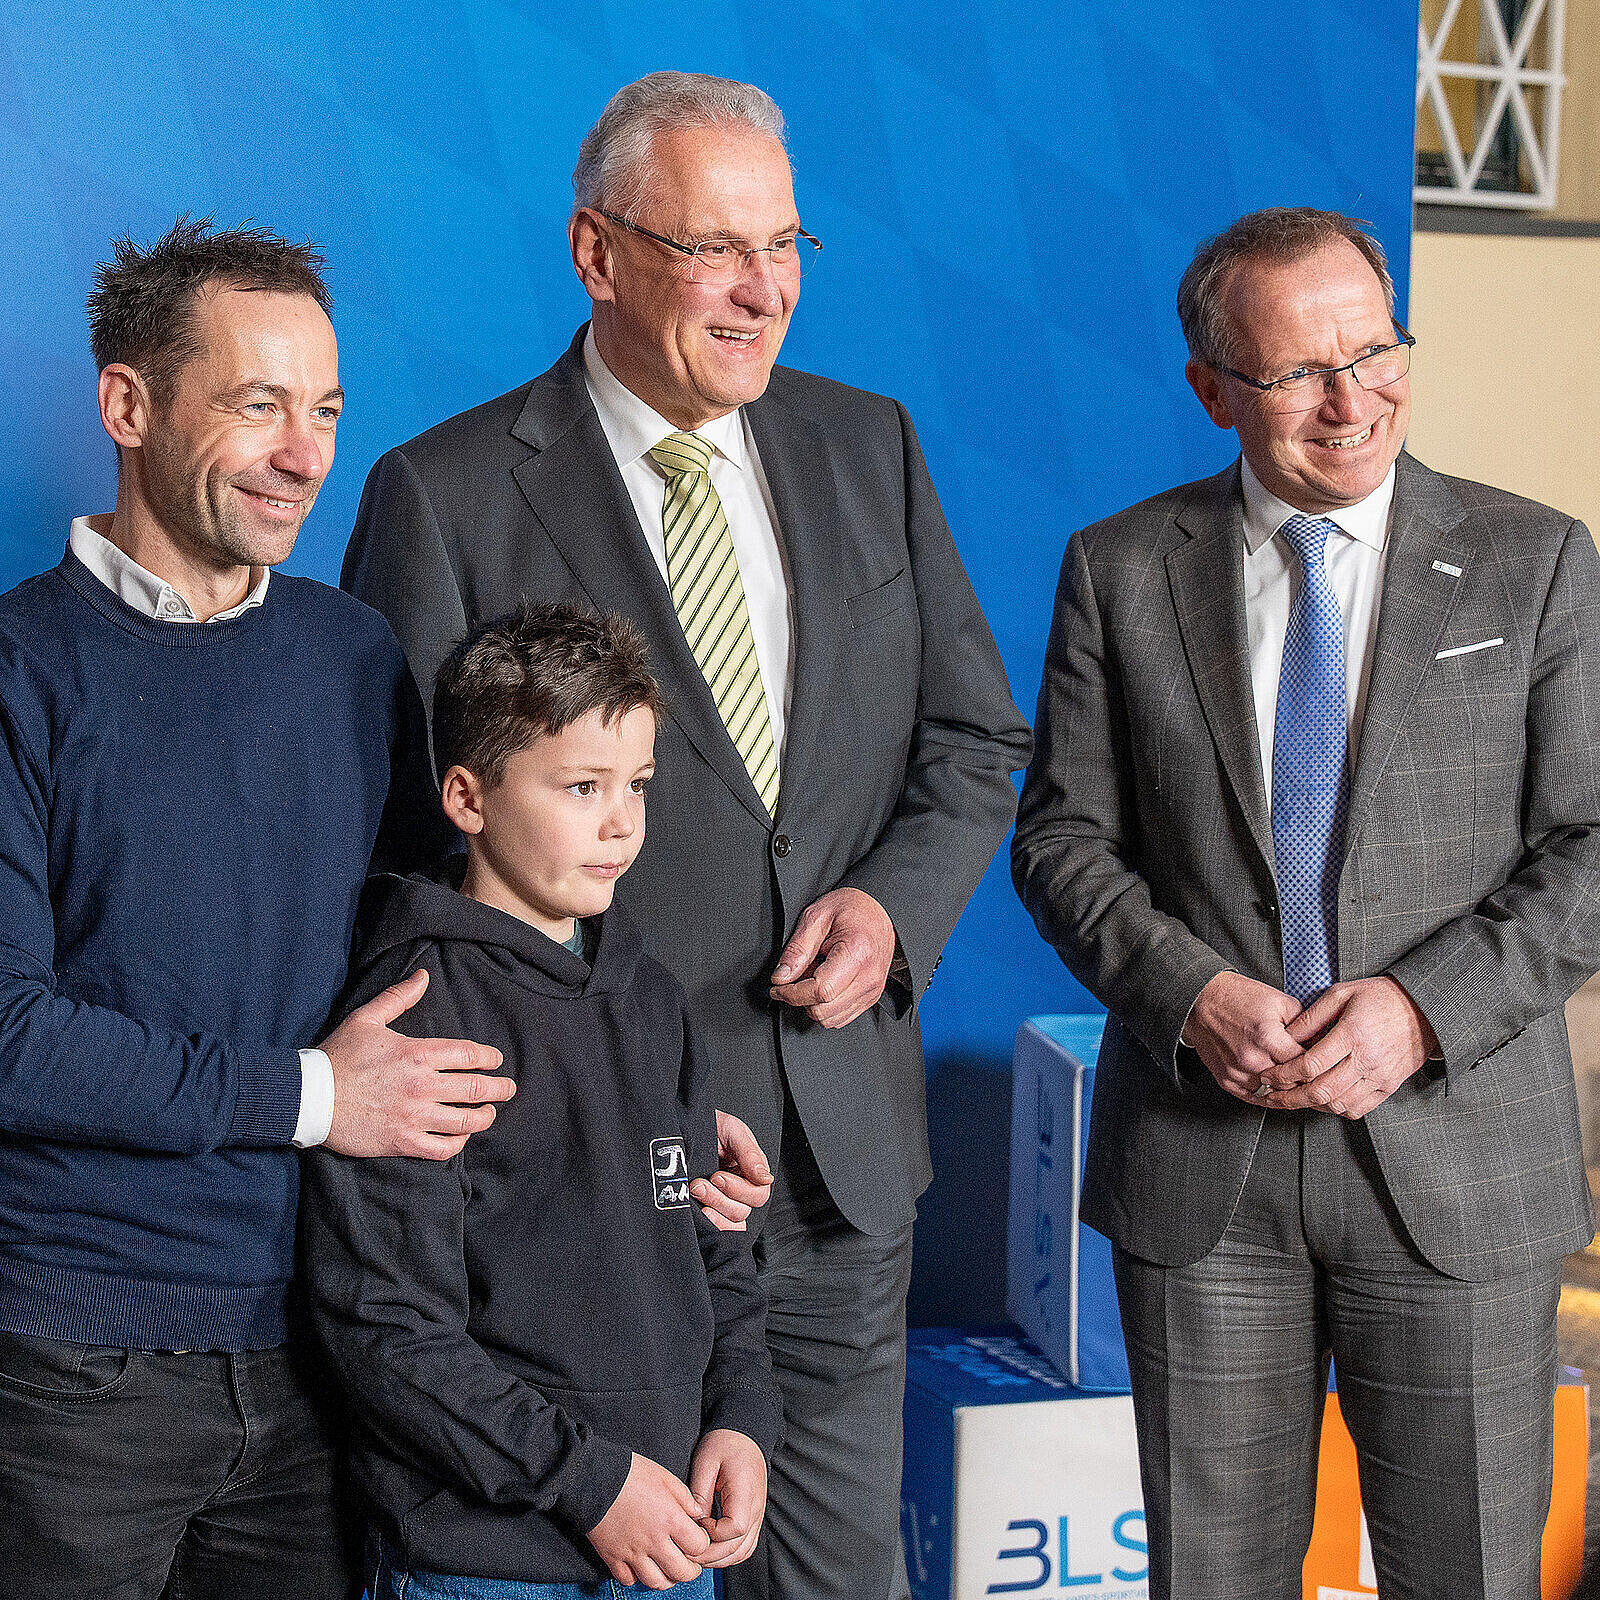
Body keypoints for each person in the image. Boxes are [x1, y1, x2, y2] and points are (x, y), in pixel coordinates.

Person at [342, 70, 1031, 1600]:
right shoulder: (444, 496)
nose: (762, 289)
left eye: (785, 246)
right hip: (579, 1200)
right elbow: (407, 858)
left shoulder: (873, 446)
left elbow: (976, 739)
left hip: (841, 1167)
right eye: (716, 247)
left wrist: (892, 917)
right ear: (598, 254)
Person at [1012, 206, 1600, 1599]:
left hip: (1459, 1164)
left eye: (1377, 352)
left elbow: (1592, 845)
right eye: (1300, 375)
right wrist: (1186, 996)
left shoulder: (1539, 562)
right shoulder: (1119, 569)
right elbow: (1063, 841)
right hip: (1208, 1175)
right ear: (1214, 388)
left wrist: (1419, 1010)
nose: (1353, 401)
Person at [0, 218, 523, 1598]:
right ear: (126, 405)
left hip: (322, 1352)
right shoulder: (17, 673)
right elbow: (8, 1036)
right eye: (257, 406)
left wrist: (648, 1103)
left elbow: (454, 946)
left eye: (326, 410)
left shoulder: (354, 657)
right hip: (69, 1376)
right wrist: (309, 1097)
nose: (306, 455)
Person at [304, 602, 785, 1600]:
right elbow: (387, 1330)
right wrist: (591, 1482)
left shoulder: (651, 998)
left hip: (669, 1542)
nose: (621, 822)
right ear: (468, 796)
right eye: (580, 787)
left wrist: (741, 1413)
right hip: (486, 1564)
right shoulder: (417, 1016)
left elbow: (712, 1249)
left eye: (637, 786)